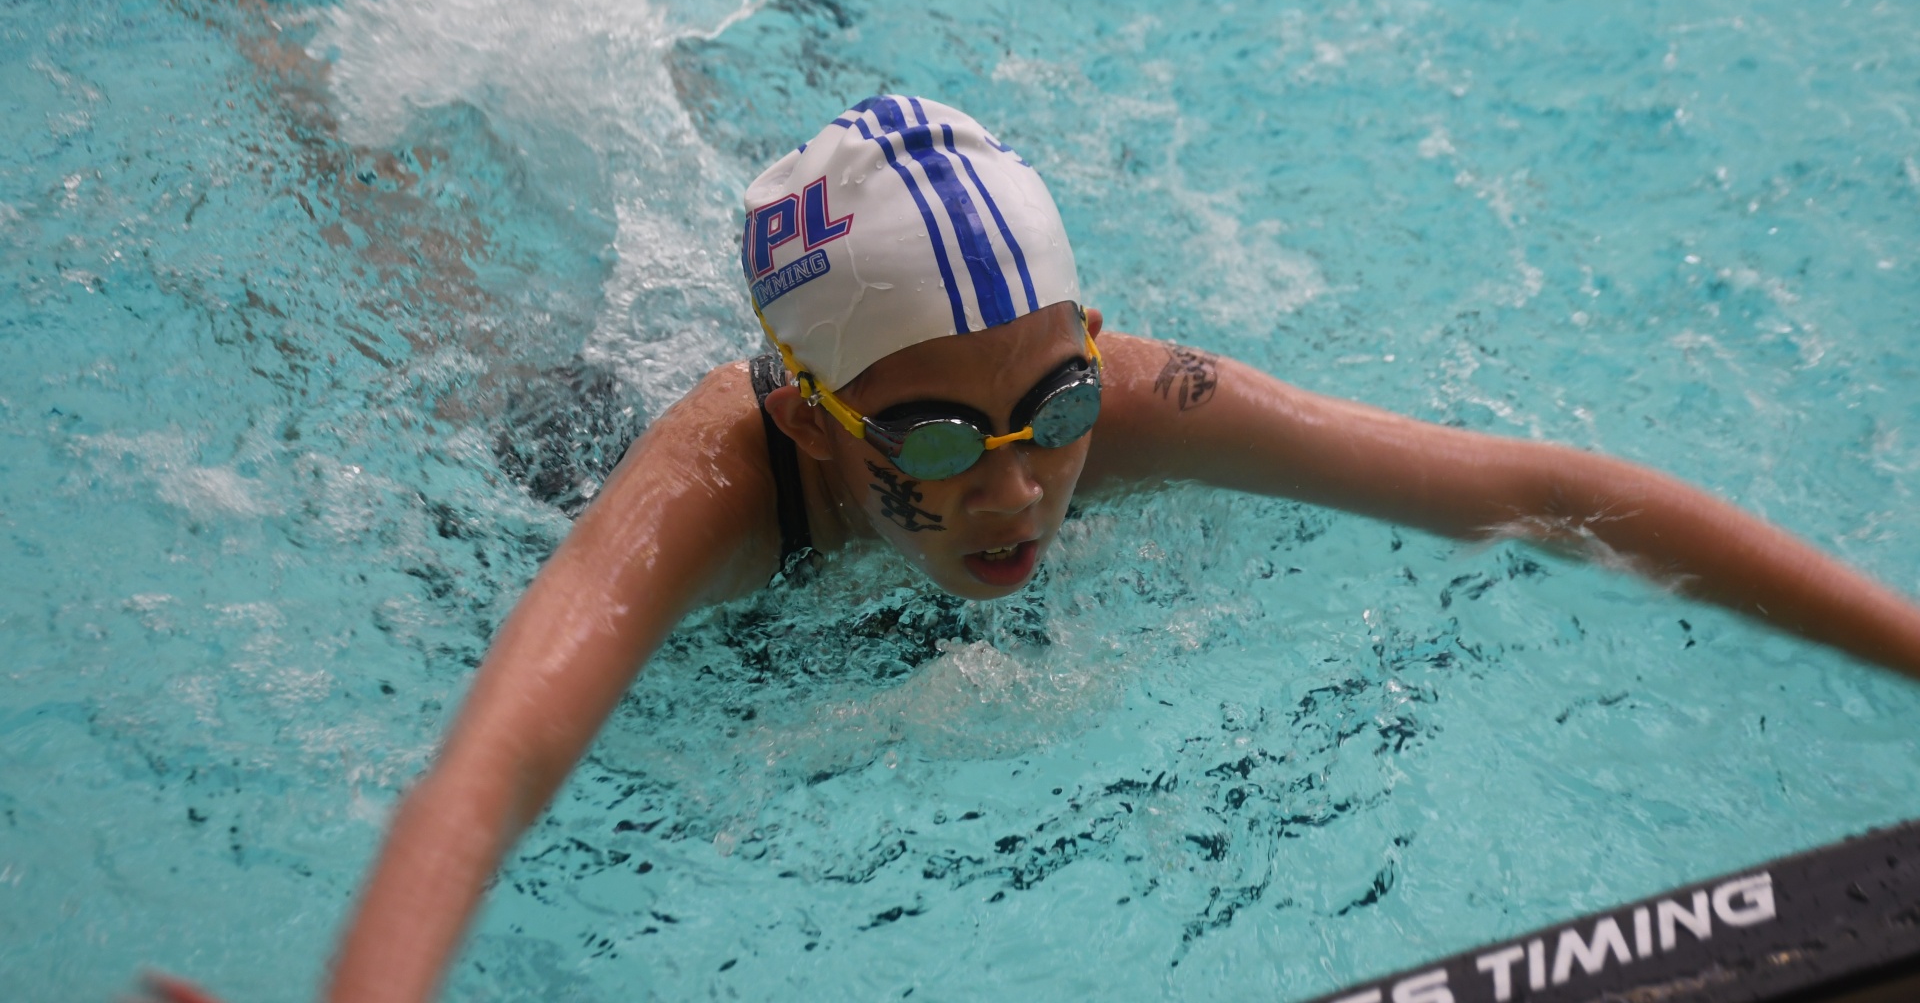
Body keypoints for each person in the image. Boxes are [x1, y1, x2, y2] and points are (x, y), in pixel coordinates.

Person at [313, 95, 1920, 1003]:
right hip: (551, 446)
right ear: (812, 421)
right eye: (939, 440)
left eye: (1055, 408)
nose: (1019, 489)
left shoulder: (1130, 399)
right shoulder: (711, 495)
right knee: (431, 276)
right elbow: (499, 762)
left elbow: (1534, 491)